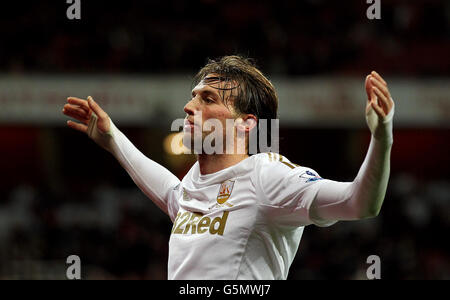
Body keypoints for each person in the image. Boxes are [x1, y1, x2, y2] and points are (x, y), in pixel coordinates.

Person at [62, 55, 395, 279]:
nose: (189, 106)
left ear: (246, 124)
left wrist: (382, 137)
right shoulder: (193, 183)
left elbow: (359, 203)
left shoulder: (268, 176)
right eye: (194, 96)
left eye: (208, 99)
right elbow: (167, 189)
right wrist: (113, 138)